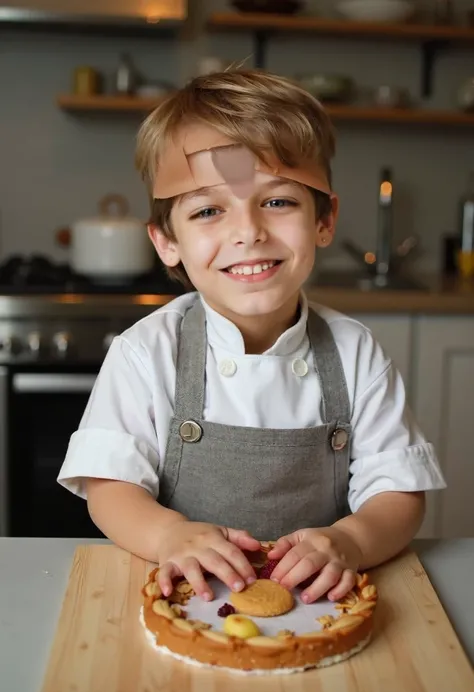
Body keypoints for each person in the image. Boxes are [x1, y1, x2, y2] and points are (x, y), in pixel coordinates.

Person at [57, 68, 446, 606]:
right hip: (185, 599)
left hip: (317, 607)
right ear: (167, 241)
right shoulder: (146, 351)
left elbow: (398, 491)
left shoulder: (356, 353)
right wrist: (168, 535)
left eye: (278, 201)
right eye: (208, 210)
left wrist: (351, 541)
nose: (248, 231)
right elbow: (109, 486)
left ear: (324, 220)